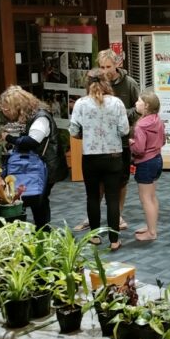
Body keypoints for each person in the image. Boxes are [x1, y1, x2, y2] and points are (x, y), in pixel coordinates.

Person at [74, 49, 139, 232]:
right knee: (97, 186)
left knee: (121, 182)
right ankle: (93, 216)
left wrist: (123, 121)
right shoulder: (93, 83)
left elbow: (139, 109)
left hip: (122, 142)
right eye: (101, 67)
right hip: (96, 146)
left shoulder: (129, 84)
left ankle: (117, 215)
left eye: (108, 66)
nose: (104, 71)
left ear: (117, 64)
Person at [69, 71, 129, 249]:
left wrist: (85, 135)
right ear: (106, 83)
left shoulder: (81, 103)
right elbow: (124, 130)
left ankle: (95, 237)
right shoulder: (116, 103)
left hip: (90, 158)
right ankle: (114, 240)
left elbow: (73, 131)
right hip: (113, 156)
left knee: (92, 197)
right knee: (112, 198)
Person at [0, 86, 65, 229]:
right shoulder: (30, 115)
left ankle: (42, 230)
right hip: (36, 165)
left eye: (7, 109)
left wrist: (9, 138)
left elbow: (32, 141)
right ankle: (39, 229)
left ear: (17, 106)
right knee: (35, 198)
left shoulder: (40, 117)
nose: (5, 113)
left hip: (46, 166)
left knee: (38, 199)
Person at [130, 92, 166, 242]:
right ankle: (152, 227)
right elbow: (163, 141)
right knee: (152, 197)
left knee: (146, 199)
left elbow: (139, 149)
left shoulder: (140, 125)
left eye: (139, 101)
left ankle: (151, 233)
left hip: (145, 163)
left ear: (147, 106)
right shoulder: (158, 120)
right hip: (157, 159)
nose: (136, 104)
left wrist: (130, 142)